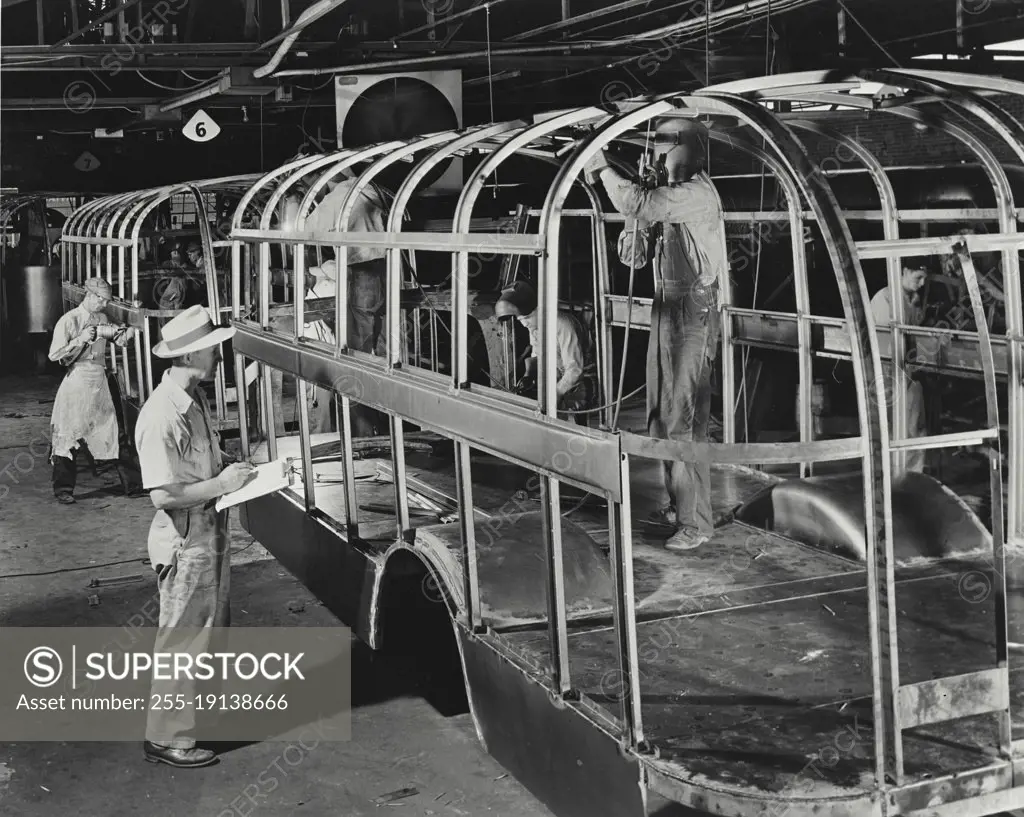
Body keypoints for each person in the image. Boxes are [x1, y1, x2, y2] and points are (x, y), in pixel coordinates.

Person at [585, 119, 727, 551]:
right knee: (660, 416)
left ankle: (696, 522)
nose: (656, 158)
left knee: (683, 419)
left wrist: (602, 169)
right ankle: (678, 502)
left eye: (662, 149)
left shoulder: (696, 193)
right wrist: (634, 221)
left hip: (693, 312)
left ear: (686, 149)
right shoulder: (663, 197)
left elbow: (641, 203)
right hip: (665, 309)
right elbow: (633, 259)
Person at [135, 305, 257, 768]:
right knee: (181, 642)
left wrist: (231, 466)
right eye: (211, 350)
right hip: (185, 541)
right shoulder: (160, 415)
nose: (218, 356)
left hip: (207, 533)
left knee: (205, 635)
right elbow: (163, 495)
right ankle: (168, 740)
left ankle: (190, 721)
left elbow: (199, 463)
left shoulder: (192, 400)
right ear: (189, 357)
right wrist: (223, 485)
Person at [48, 277, 138, 504]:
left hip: (99, 381)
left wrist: (127, 332)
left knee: (112, 431)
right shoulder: (69, 320)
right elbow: (55, 355)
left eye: (107, 301)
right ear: (90, 295)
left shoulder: (102, 318)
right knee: (68, 435)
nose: (105, 304)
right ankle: (63, 490)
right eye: (102, 300)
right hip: (77, 382)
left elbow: (118, 338)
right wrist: (79, 340)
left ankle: (133, 485)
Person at [494, 279, 597, 416]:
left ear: (540, 309)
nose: (524, 324)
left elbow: (575, 371)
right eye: (520, 320)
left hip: (583, 384)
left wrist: (556, 393)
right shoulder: (535, 326)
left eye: (527, 318)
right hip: (558, 376)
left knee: (559, 417)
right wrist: (528, 375)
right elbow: (537, 354)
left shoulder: (562, 324)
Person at [870, 259, 931, 474]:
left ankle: (911, 477)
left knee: (913, 427)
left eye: (924, 279)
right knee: (891, 428)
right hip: (888, 370)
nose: (922, 284)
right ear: (904, 271)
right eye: (918, 278)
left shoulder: (911, 300)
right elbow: (887, 343)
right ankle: (889, 477)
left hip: (908, 370)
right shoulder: (885, 299)